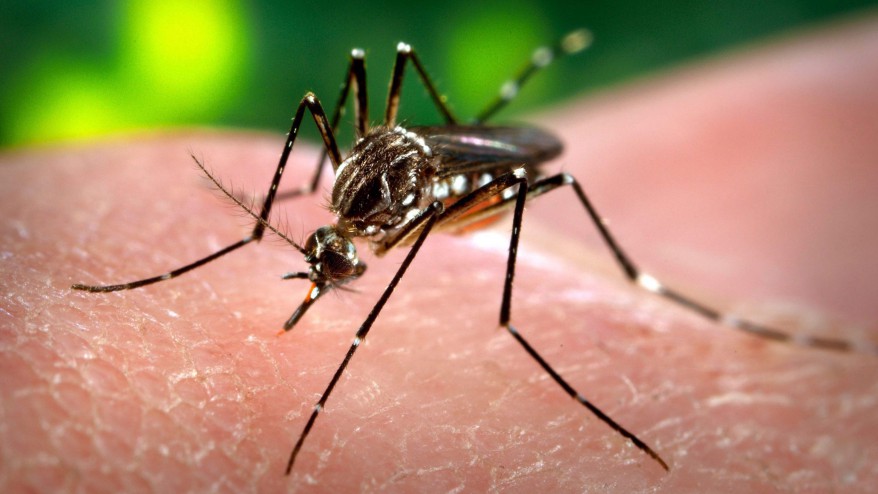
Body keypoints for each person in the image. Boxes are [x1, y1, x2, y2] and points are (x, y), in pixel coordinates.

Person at [1, 14, 876, 492]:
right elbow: (337, 165)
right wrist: (261, 218)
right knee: (331, 94)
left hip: (466, 180)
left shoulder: (388, 214)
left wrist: (351, 338)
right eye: (327, 254)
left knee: (541, 186)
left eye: (328, 258)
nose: (327, 263)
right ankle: (320, 193)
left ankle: (649, 290)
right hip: (414, 162)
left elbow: (414, 227)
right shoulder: (347, 193)